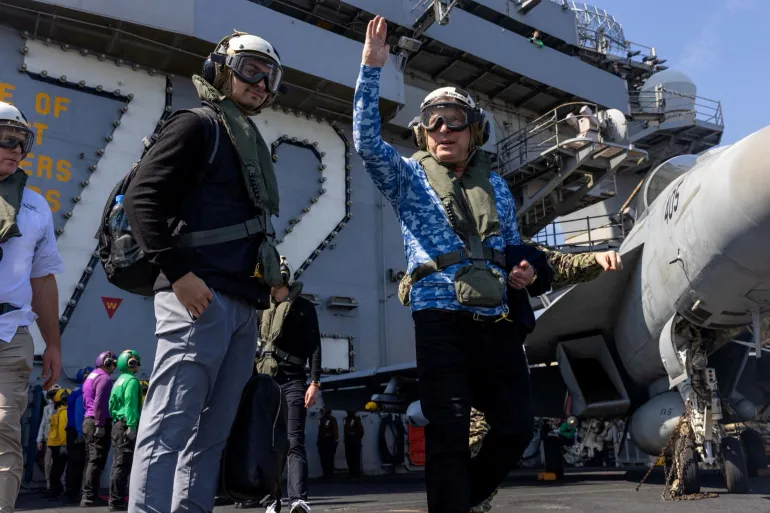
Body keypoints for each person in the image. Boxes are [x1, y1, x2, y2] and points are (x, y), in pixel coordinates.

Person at [354, 17, 555, 513]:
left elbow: (512, 247)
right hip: (439, 319)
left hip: (496, 319)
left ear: (474, 131)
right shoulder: (408, 179)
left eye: (454, 120)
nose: (444, 129)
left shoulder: (499, 189)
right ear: (425, 134)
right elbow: (365, 142)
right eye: (434, 122)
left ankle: (463, 498)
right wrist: (371, 70)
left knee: (515, 427)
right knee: (447, 429)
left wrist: (525, 272)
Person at [124, 30, 286, 513]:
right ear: (221, 67)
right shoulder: (198, 125)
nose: (260, 82)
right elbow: (142, 199)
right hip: (198, 295)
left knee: (210, 436)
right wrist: (178, 274)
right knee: (169, 425)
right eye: (250, 68)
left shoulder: (245, 137)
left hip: (241, 304)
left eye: (269, 75)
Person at [468, 244, 622, 512]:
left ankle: (472, 501)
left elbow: (554, 263)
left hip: (504, 353)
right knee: (467, 442)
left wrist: (595, 259)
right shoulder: (442, 237)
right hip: (459, 354)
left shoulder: (505, 239)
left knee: (512, 433)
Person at [0, 100, 63, 513]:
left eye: (21, 142)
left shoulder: (37, 207)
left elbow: (42, 280)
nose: (15, 149)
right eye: (6, 139)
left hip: (12, 332)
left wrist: (52, 344)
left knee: (4, 431)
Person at [244, 259, 320, 513]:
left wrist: (315, 382)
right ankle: (274, 499)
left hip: (294, 382)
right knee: (269, 443)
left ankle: (298, 499)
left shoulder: (304, 308)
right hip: (266, 383)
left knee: (293, 441)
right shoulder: (260, 309)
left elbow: (315, 346)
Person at [108, 350, 143, 511]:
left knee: (117, 463)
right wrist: (132, 425)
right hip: (125, 425)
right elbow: (130, 403)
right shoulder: (132, 381)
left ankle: (114, 499)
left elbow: (111, 405)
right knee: (123, 464)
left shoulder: (119, 380)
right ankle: (117, 502)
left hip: (116, 424)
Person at [81, 351, 117, 507]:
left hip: (88, 420)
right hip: (97, 422)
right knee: (97, 460)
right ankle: (89, 497)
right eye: (114, 363)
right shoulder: (105, 379)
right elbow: (100, 403)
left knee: (91, 459)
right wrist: (100, 424)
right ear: (107, 363)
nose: (115, 366)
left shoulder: (91, 376)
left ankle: (87, 494)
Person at [65, 366, 93, 503]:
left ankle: (70, 492)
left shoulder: (74, 391)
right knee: (80, 463)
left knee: (73, 464)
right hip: (78, 431)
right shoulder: (82, 392)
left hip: (72, 430)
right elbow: (79, 412)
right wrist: (80, 433)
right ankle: (76, 493)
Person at [44, 387, 70, 501]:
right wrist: (64, 444)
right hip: (59, 444)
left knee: (55, 469)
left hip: (54, 443)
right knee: (58, 469)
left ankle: (55, 490)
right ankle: (56, 490)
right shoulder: (63, 411)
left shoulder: (57, 410)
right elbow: (62, 429)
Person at [36, 386, 60, 493]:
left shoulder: (64, 408)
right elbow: (43, 424)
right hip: (49, 440)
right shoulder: (47, 409)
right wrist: (39, 439)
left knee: (60, 465)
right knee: (47, 464)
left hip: (61, 441)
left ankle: (61, 486)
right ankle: (49, 486)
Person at [317, 408, 338, 479]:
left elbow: (335, 430)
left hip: (329, 441)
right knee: (323, 458)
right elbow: (320, 431)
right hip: (322, 441)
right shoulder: (321, 419)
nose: (321, 412)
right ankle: (325, 473)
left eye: (323, 410)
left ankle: (330, 474)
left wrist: (335, 440)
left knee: (329, 458)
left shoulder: (332, 419)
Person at [343, 411, 364, 478]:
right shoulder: (345, 419)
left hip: (355, 442)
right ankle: (351, 472)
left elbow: (361, 431)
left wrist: (356, 437)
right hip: (348, 441)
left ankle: (356, 473)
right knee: (349, 457)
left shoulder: (356, 419)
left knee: (355, 458)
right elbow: (345, 429)